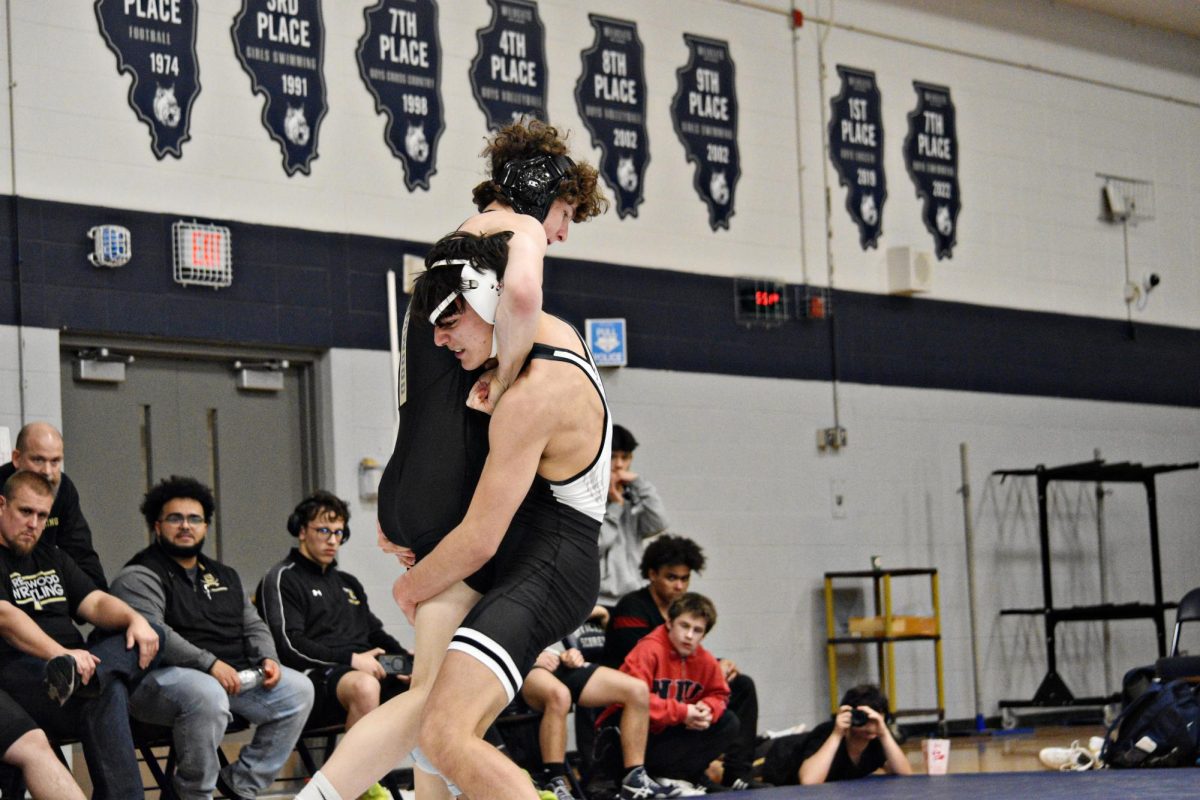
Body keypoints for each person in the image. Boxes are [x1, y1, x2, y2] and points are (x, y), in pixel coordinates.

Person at [299, 119, 605, 800]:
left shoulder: (443, 263)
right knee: (435, 709)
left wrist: (397, 509)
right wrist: (507, 369)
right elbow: (524, 296)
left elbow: (418, 402)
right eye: (564, 215)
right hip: (450, 511)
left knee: (439, 716)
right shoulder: (513, 246)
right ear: (541, 194)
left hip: (409, 490)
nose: (560, 233)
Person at [111, 476, 314, 800]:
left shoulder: (224, 575)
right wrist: (210, 665)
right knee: (207, 695)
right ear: (157, 525)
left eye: (194, 519)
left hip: (226, 674)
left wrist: (268, 659)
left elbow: (253, 625)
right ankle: (193, 794)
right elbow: (156, 632)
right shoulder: (138, 575)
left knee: (298, 690)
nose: (185, 526)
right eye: (175, 518)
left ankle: (239, 785)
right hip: (156, 681)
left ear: (205, 526)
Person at [0, 470, 161, 800]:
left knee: (149, 631)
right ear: (1, 506)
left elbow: (96, 602)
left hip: (73, 670)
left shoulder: (52, 556)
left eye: (42, 515)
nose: (33, 523)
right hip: (25, 669)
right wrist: (60, 654)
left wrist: (134, 618)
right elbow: (6, 617)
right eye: (25, 512)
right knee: (109, 691)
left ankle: (88, 675)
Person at [602, 536, 762, 790]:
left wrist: (707, 703)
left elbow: (695, 668)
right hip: (635, 700)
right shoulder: (635, 613)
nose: (678, 585)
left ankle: (735, 773)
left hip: (671, 697)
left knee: (739, 688)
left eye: (684, 579)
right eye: (671, 578)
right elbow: (641, 668)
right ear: (652, 574)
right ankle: (672, 774)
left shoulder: (688, 624)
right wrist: (685, 711)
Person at [520, 608, 679, 800]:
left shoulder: (548, 593)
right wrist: (531, 656)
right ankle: (555, 782)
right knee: (560, 696)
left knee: (636, 690)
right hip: (521, 664)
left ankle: (634, 780)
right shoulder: (501, 593)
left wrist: (571, 652)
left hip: (556, 659)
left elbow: (559, 622)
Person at [599, 593, 736, 792]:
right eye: (684, 626)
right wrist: (683, 712)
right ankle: (662, 777)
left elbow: (719, 693)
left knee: (727, 721)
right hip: (633, 740)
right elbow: (629, 699)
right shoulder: (648, 650)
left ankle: (679, 777)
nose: (689, 635)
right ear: (669, 623)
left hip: (668, 733)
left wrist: (707, 708)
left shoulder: (703, 659)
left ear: (704, 635)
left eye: (697, 630)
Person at [0, 422, 107, 588]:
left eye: (55, 461)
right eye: (38, 460)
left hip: (47, 590)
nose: (47, 471)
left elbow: (81, 554)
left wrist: (99, 603)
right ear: (16, 458)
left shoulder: (63, 489)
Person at [598, 425, 671, 608]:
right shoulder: (587, 498)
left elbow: (659, 523)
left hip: (631, 596)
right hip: (597, 599)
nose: (620, 464)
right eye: (613, 456)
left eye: (625, 457)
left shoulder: (633, 495)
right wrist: (615, 507)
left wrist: (638, 483)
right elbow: (596, 544)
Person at [796, 685, 911, 784]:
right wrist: (836, 735)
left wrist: (884, 733)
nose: (871, 727)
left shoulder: (878, 740)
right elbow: (809, 781)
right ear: (849, 714)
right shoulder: (827, 732)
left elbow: (905, 774)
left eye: (875, 719)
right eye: (863, 718)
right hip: (780, 770)